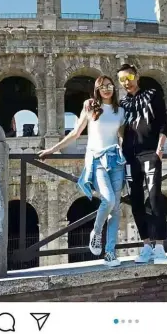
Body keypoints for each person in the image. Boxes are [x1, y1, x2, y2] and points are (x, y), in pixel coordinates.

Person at [38, 75, 125, 267]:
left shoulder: (120, 111)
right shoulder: (90, 106)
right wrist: (52, 149)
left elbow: (123, 138)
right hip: (97, 160)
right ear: (97, 89)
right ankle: (96, 231)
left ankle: (110, 253)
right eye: (102, 86)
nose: (107, 89)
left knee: (116, 209)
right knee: (108, 200)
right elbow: (76, 133)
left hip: (116, 160)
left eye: (110, 86)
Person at [117, 63, 167, 265]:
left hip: (150, 153)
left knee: (155, 198)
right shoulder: (122, 103)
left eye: (129, 78)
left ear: (136, 76)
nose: (126, 83)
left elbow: (164, 122)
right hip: (130, 156)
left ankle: (160, 247)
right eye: (122, 80)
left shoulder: (152, 94)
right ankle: (146, 245)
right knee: (136, 201)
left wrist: (160, 150)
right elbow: (120, 128)